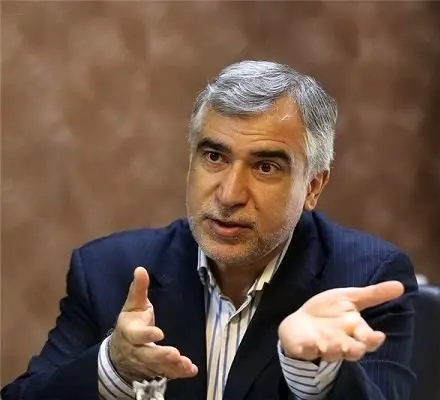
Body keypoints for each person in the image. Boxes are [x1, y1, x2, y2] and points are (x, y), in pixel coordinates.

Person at [1, 60, 418, 400]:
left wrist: (314, 372)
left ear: (312, 187)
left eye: (265, 167)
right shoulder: (106, 271)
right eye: (214, 157)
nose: (230, 194)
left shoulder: (365, 279)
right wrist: (113, 367)